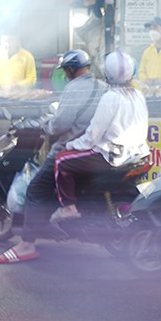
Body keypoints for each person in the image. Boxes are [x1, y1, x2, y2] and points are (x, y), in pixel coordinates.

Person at [0, 49, 103, 263]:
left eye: (66, 71)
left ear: (71, 69)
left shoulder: (74, 88)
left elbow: (60, 124)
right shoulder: (103, 87)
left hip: (68, 150)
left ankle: (26, 245)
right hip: (95, 151)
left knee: (35, 190)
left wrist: (46, 125)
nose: (65, 75)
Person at [51, 52, 150, 221]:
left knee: (61, 161)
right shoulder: (137, 95)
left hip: (113, 154)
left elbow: (93, 135)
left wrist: (71, 145)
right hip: (138, 153)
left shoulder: (110, 97)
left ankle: (68, 208)